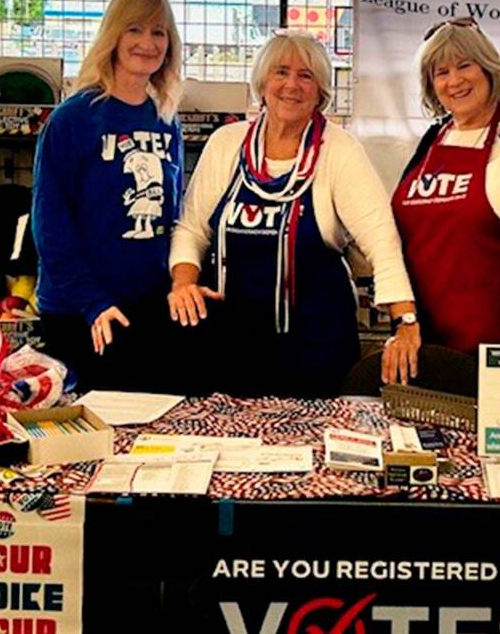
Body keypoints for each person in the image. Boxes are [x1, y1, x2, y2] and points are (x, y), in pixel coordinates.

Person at [169, 31, 420, 397]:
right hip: (229, 343)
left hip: (316, 348)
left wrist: (406, 322)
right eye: (281, 72)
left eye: (306, 76)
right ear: (262, 82)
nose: (292, 85)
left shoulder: (339, 149)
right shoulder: (226, 143)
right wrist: (184, 283)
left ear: (321, 91)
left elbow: (381, 241)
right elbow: (191, 229)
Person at [32, 0, 184, 390]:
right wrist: (93, 303)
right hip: (82, 313)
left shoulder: (166, 120)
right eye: (135, 29)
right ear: (113, 36)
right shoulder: (73, 119)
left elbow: (173, 217)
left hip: (146, 308)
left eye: (159, 32)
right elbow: (51, 228)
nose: (147, 43)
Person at [391, 18, 500, 356]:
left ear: (487, 69)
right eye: (441, 73)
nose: (454, 81)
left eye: (464, 65)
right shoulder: (434, 138)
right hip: (429, 347)